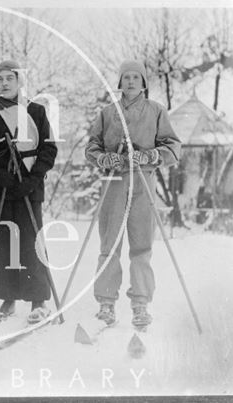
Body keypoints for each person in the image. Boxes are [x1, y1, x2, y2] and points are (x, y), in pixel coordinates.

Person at [85, 59, 181, 329]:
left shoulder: (156, 111)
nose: (130, 82)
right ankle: (106, 302)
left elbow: (173, 147)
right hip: (114, 182)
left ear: (144, 83)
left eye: (135, 78)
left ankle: (140, 304)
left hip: (142, 180)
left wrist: (150, 154)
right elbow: (92, 146)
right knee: (109, 244)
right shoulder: (107, 113)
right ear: (119, 82)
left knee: (141, 245)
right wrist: (104, 158)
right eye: (125, 77)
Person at [0, 60, 58, 325]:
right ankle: (7, 299)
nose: (4, 83)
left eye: (10, 78)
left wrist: (33, 179)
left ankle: (38, 300)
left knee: (31, 242)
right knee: (2, 243)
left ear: (19, 81)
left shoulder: (36, 111)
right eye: (0, 79)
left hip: (28, 187)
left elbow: (49, 149)